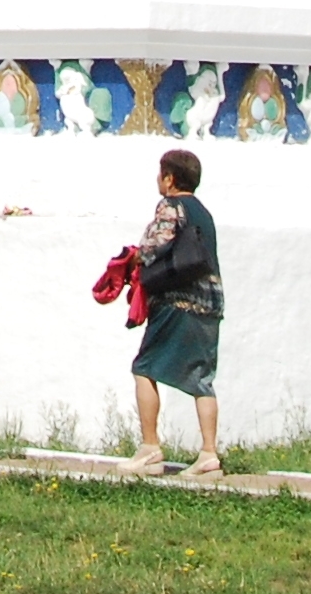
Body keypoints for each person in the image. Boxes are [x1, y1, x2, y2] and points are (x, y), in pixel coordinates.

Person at [127, 146, 223, 479]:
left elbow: (155, 244)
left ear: (169, 179)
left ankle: (150, 447)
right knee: (202, 379)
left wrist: (134, 257)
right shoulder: (203, 213)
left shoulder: (171, 206)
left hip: (177, 302)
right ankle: (209, 453)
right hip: (210, 304)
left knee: (144, 367)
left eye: (161, 174)